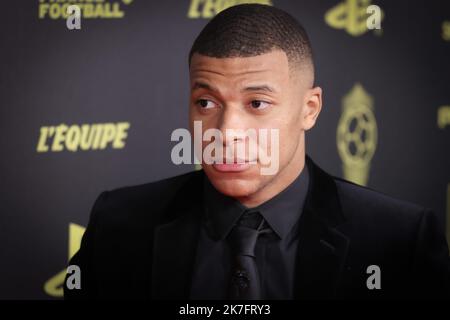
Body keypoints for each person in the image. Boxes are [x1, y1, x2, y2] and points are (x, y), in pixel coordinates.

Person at [64, 4, 450, 299]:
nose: (227, 132)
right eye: (206, 103)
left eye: (257, 104)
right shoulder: (119, 226)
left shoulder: (400, 240)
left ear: (309, 109)